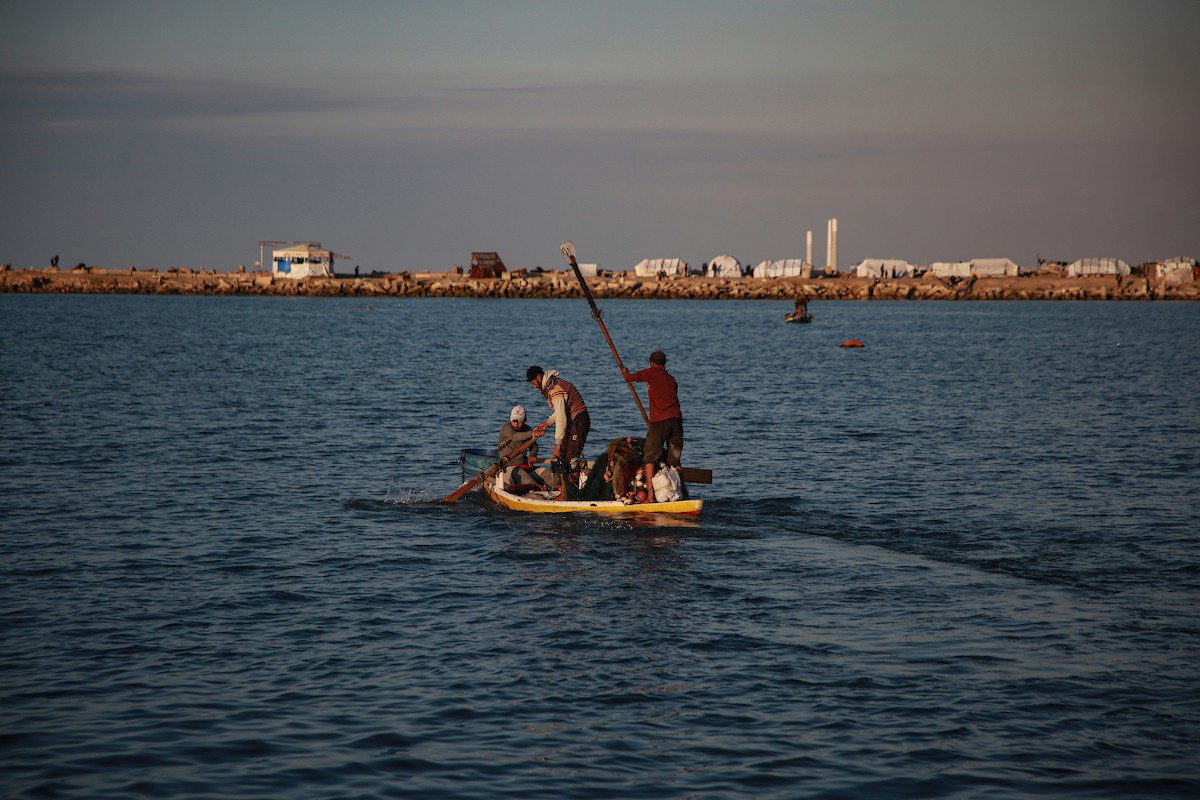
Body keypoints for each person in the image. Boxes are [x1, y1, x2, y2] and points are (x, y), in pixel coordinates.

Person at [622, 349, 683, 503]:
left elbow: (629, 378)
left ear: (652, 363)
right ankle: (682, 494)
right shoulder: (671, 379)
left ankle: (650, 497)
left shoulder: (651, 372)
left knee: (649, 458)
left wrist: (625, 373)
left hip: (660, 422)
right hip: (676, 422)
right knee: (675, 460)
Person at [525, 366, 590, 488]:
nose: (534, 386)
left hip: (579, 421)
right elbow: (561, 412)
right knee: (561, 458)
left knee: (570, 458)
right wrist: (547, 423)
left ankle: (571, 492)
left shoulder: (555, 389)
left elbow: (561, 418)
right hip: (574, 421)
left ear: (539, 377)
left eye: (533, 382)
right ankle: (565, 491)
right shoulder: (553, 386)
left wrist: (558, 444)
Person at [496, 405, 548, 491]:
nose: (516, 424)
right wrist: (532, 434)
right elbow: (515, 436)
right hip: (508, 468)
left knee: (547, 472)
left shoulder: (527, 429)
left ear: (524, 420)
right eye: (514, 421)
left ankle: (558, 487)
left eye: (519, 422)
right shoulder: (506, 428)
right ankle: (535, 486)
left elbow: (534, 446)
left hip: (524, 466)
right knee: (520, 473)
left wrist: (533, 455)